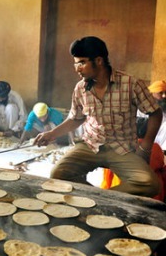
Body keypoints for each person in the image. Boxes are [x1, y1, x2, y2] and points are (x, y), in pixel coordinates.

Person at [34, 36, 161, 197]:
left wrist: (146, 147)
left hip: (121, 148)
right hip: (90, 145)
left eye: (82, 62)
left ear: (99, 61)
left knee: (150, 184)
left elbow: (155, 113)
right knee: (58, 174)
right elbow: (76, 118)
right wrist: (51, 134)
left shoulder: (131, 84)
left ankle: (102, 197)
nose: (77, 68)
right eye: (75, 63)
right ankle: (98, 197)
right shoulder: (80, 88)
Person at [101, 117, 165, 202]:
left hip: (121, 193)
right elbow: (159, 164)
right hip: (152, 197)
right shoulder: (155, 147)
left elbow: (108, 176)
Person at [142, 80, 166, 151]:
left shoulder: (164, 110)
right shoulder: (141, 110)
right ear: (151, 94)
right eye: (160, 93)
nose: (164, 96)